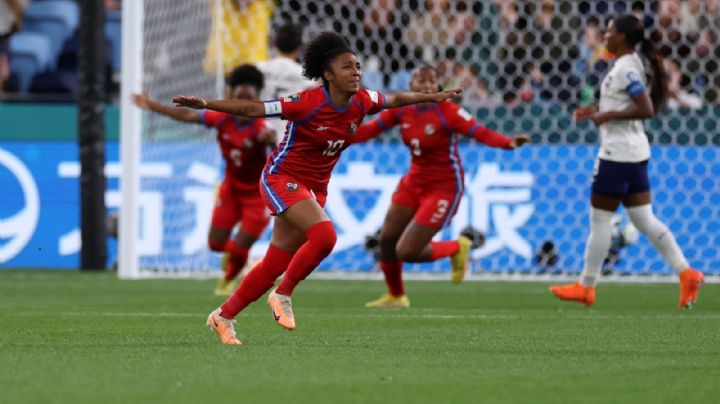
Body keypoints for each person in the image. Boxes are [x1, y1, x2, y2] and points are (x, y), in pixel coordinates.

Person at [173, 32, 463, 345]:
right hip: (281, 177)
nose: (355, 72)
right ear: (327, 74)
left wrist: (430, 98)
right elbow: (251, 109)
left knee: (273, 263)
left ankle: (223, 316)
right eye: (347, 67)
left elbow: (394, 99)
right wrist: (206, 104)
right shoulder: (306, 103)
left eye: (357, 66)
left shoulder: (363, 101)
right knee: (325, 236)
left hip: (314, 188)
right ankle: (283, 294)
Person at [550, 15, 704, 309]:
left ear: (621, 37)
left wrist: (607, 117)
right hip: (634, 153)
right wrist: (596, 110)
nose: (605, 36)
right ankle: (686, 273)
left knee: (600, 220)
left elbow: (645, 108)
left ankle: (586, 286)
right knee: (644, 219)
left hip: (617, 155)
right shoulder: (628, 66)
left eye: (609, 31)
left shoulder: (625, 69)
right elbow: (625, 104)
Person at [352, 65, 529, 308]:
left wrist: (508, 142)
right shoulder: (402, 109)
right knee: (387, 240)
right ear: (410, 85)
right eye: (420, 81)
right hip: (413, 182)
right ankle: (396, 296)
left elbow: (480, 132)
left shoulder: (449, 112)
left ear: (438, 86)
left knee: (407, 251)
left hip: (444, 187)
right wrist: (335, 136)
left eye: (432, 82)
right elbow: (369, 131)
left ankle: (458, 246)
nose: (426, 86)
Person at [132, 65, 276, 296]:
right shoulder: (221, 118)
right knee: (215, 245)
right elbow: (187, 116)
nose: (242, 104)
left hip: (258, 196)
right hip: (230, 190)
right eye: (239, 97)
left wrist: (271, 141)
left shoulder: (264, 127)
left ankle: (229, 280)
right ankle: (241, 261)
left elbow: (279, 149)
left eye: (248, 99)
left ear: (257, 99)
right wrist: (152, 106)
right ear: (231, 96)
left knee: (240, 250)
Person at [257, 22, 318, 141]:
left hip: (259, 133)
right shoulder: (304, 75)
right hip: (287, 138)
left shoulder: (259, 69)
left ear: (274, 44)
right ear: (299, 48)